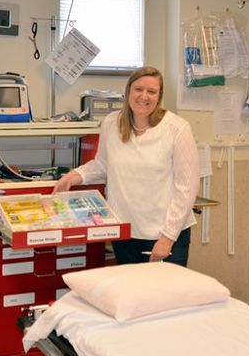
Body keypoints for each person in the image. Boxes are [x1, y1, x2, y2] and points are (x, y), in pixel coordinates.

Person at [53, 66, 200, 266]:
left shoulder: (177, 129)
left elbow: (186, 189)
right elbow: (103, 164)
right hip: (124, 231)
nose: (144, 96)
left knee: (165, 296)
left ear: (159, 96)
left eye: (152, 91)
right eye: (138, 89)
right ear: (128, 91)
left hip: (165, 233)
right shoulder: (111, 124)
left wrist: (167, 238)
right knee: (130, 295)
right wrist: (73, 176)